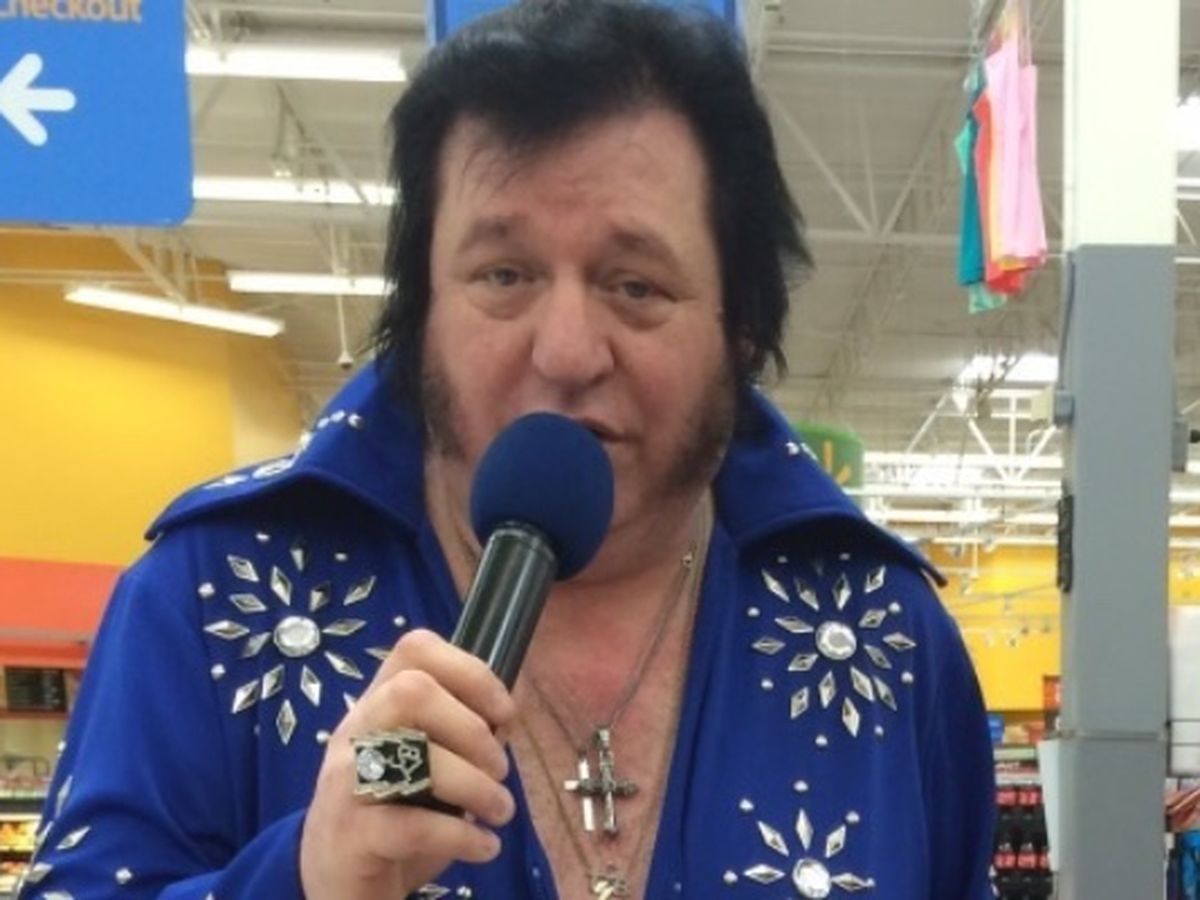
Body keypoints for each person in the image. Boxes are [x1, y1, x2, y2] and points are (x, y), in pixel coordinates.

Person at [19, 1, 996, 898]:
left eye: (635, 285)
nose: (565, 352)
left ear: (740, 328)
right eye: (503, 274)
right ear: (422, 310)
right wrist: (306, 877)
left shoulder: (887, 636)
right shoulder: (211, 597)